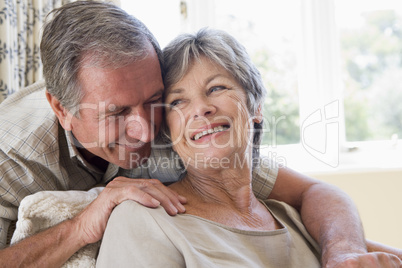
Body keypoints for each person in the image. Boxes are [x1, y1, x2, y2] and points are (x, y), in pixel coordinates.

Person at [0, 1, 399, 267]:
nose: (144, 130)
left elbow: (312, 193)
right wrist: (83, 224)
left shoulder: (181, 131)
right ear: (61, 109)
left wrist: (346, 250)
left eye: (157, 100)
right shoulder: (12, 154)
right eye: (117, 112)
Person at [96, 28, 402, 268]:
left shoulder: (298, 217)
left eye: (216, 88)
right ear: (168, 130)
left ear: (255, 107)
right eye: (177, 101)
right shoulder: (143, 219)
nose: (200, 109)